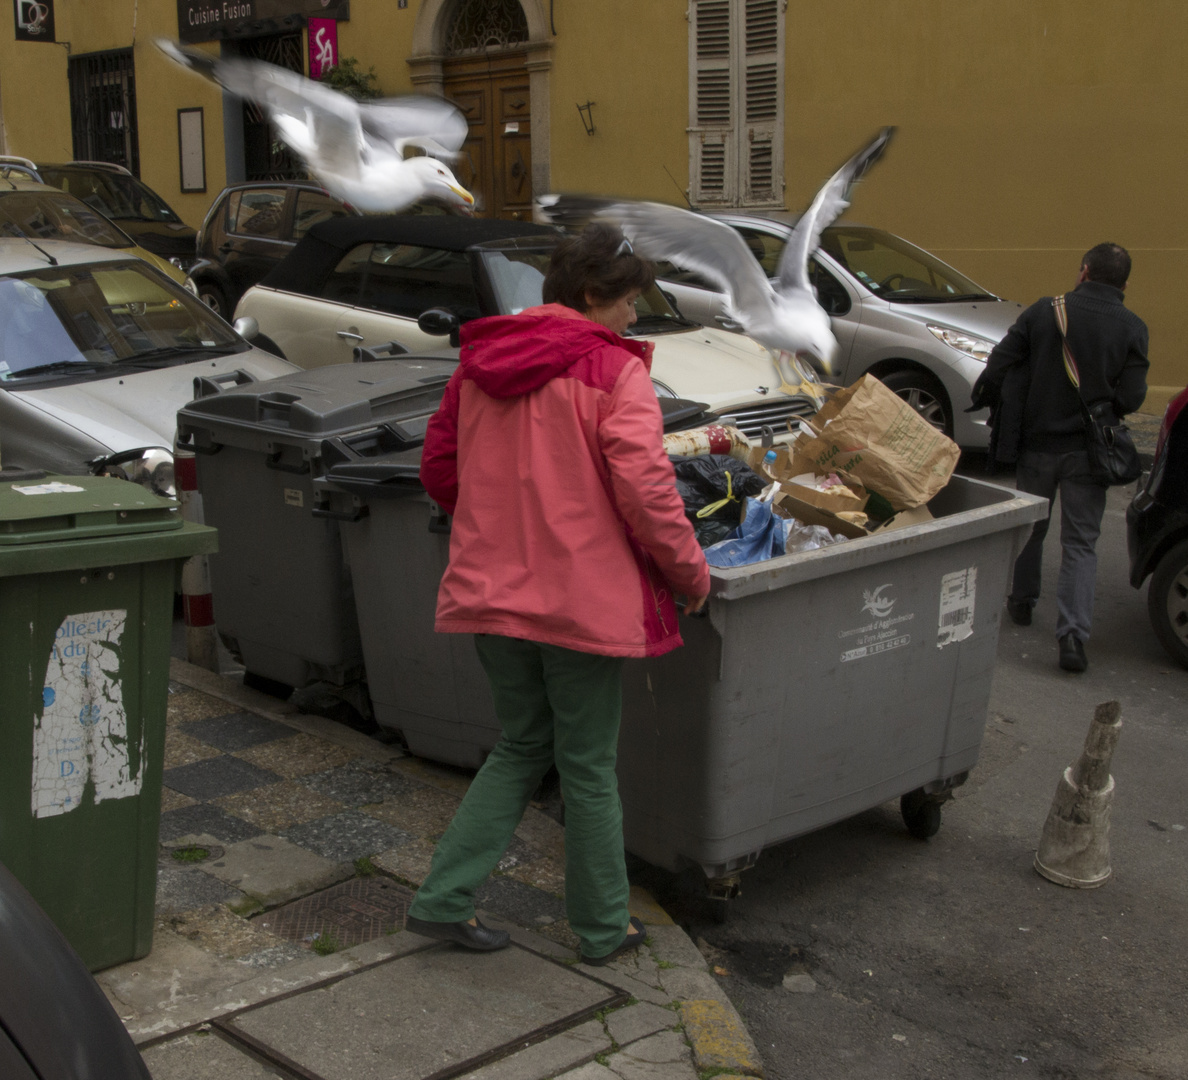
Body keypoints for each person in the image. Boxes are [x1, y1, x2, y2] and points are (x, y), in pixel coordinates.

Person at [405, 223, 711, 965]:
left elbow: (440, 468)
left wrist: (496, 519)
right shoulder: (615, 372)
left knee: (520, 746)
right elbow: (646, 491)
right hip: (577, 601)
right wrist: (690, 575)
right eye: (630, 301)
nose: (635, 317)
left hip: (491, 589)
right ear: (594, 297)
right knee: (588, 768)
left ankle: (443, 900)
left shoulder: (478, 363)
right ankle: (604, 928)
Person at [971, 242, 1149, 673]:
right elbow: (1132, 396)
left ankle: (1023, 601)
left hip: (1037, 445)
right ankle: (1072, 637)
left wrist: (985, 399)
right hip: (1090, 452)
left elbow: (1000, 362)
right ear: (1124, 284)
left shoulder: (1044, 311)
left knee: (1032, 526)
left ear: (1084, 271)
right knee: (1082, 543)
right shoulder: (1132, 326)